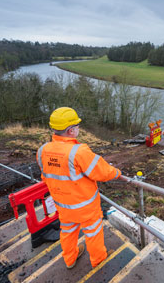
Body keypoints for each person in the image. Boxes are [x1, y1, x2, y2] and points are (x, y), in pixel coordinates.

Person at [36, 107, 121, 269]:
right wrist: (117, 172)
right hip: (86, 207)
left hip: (62, 205)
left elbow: (45, 177)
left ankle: (70, 259)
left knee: (67, 231)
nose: (78, 128)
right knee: (93, 232)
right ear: (70, 130)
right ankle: (99, 260)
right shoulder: (79, 152)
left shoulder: (42, 151)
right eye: (77, 126)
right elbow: (102, 172)